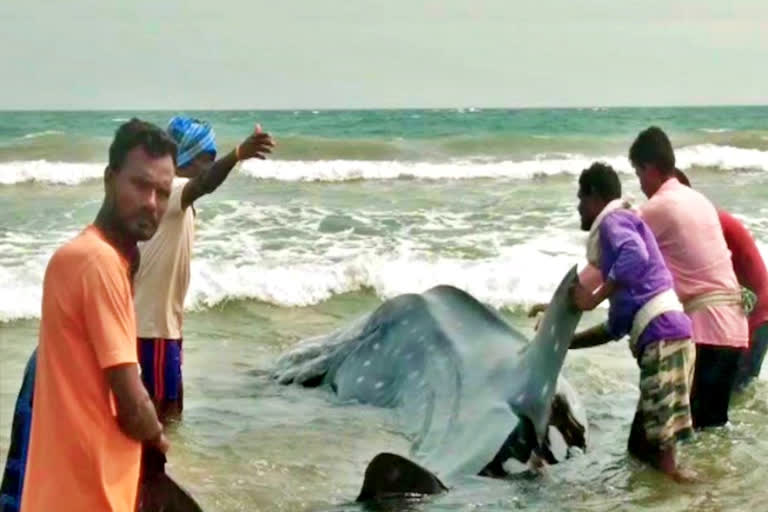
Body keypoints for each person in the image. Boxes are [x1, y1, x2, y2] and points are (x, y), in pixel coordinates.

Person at [20, 119, 176, 512]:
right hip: (93, 495)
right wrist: (158, 436)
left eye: (162, 191)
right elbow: (131, 405)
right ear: (110, 178)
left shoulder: (77, 255)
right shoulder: (100, 264)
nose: (152, 203)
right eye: (140, 185)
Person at [133, 116, 275, 422]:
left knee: (169, 416)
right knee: (161, 418)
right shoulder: (173, 189)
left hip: (161, 329)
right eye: (205, 159)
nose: (208, 167)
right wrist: (237, 154)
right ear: (184, 157)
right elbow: (205, 183)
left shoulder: (172, 198)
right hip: (152, 331)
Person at [567, 162, 695, 481]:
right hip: (668, 338)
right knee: (640, 450)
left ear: (594, 196)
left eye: (580, 198)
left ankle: (698, 499)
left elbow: (635, 255)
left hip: (663, 339)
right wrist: (566, 341)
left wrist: (594, 297)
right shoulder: (618, 254)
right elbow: (613, 329)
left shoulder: (613, 221)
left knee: (663, 457)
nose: (578, 206)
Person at [630, 127, 748, 429]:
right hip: (734, 331)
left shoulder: (658, 207)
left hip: (706, 332)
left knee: (682, 434)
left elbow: (613, 257)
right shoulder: (701, 202)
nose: (640, 184)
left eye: (638, 173)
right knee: (714, 432)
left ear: (649, 168)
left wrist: (572, 297)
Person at [674, 169, 768, 391]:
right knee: (732, 394)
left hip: (756, 315)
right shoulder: (706, 220)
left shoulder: (710, 224)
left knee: (733, 392)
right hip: (747, 310)